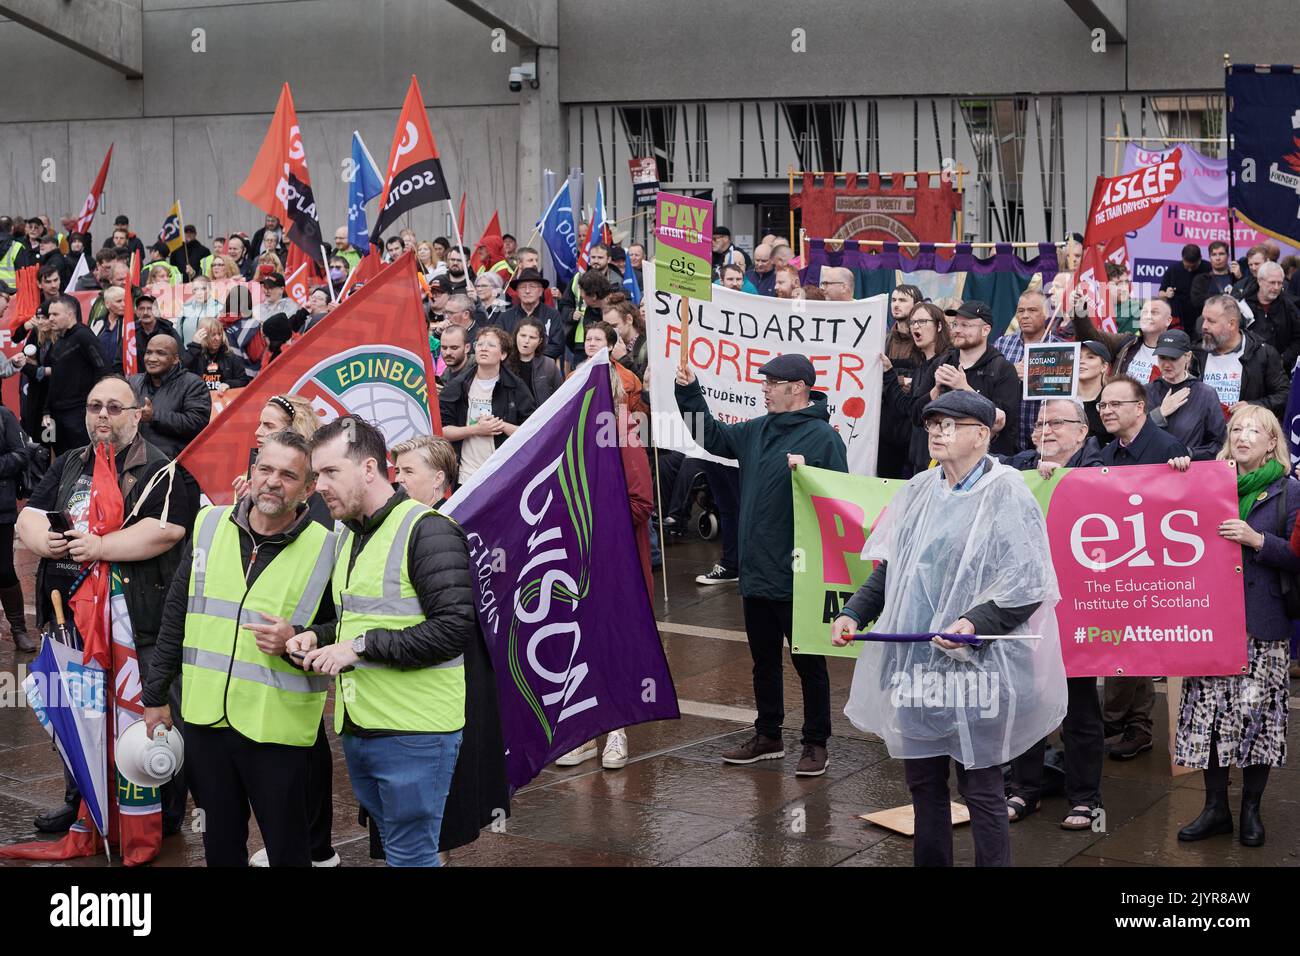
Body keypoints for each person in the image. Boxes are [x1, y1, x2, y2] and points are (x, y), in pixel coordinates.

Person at [834, 390, 1066, 866]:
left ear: (981, 435)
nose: (938, 432)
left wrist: (972, 622)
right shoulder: (919, 489)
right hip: (917, 663)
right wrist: (853, 612)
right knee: (922, 784)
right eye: (933, 424)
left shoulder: (1007, 492)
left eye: (951, 425)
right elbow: (891, 571)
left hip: (980, 666)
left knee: (980, 785)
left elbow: (1027, 584)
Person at [141, 430, 336, 866]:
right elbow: (177, 612)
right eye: (265, 469)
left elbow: (342, 629)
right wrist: (154, 696)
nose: (272, 481)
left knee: (288, 851)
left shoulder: (328, 548)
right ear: (250, 473)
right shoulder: (209, 525)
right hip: (206, 724)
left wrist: (297, 639)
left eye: (288, 475)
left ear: (307, 489)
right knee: (219, 847)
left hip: (278, 731)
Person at [289, 416, 476, 867]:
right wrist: (319, 635)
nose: (321, 487)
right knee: (399, 850)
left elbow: (453, 629)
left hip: (416, 730)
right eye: (317, 475)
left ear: (369, 469)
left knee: (411, 854)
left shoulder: (427, 529)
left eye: (331, 472)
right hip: (363, 725)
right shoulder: (348, 534)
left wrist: (355, 648)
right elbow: (361, 618)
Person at [16, 373, 198, 835]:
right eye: (95, 406)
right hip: (69, 615)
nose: (102, 415)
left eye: (114, 407)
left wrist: (97, 547)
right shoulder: (72, 461)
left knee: (149, 717)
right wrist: (47, 543)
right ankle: (81, 801)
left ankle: (163, 808)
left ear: (137, 414)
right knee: (78, 714)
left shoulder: (164, 468)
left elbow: (166, 529)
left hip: (138, 622)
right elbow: (31, 515)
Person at [674, 353, 847, 775]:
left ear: (798, 388)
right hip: (756, 570)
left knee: (809, 662)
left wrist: (811, 477)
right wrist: (688, 390)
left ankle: (815, 741)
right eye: (764, 382)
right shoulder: (759, 428)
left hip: (797, 572)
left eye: (771, 383)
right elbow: (710, 438)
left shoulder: (824, 438)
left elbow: (838, 502)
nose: (763, 389)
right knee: (763, 659)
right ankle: (769, 734)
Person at [1174, 405, 1298, 848]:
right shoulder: (1207, 482)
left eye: (1255, 430)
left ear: (1272, 443)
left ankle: (1251, 810)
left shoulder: (1288, 492)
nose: (1243, 435)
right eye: (1237, 428)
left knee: (1256, 719)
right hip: (1210, 623)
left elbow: (1297, 555)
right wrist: (1178, 468)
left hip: (1261, 629)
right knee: (1208, 718)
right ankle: (1215, 809)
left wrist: (1258, 540)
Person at [390, 434, 509, 859]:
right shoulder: (395, 522)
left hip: (448, 675)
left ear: (439, 478)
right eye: (396, 470)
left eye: (408, 471)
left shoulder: (447, 523)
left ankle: (432, 852)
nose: (397, 479)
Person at [1096, 374, 1191, 760]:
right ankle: (1131, 725)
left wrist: (1186, 469)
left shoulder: (1168, 449)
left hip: (1154, 570)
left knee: (1135, 648)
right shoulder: (1107, 453)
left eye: (1115, 404)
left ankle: (1124, 721)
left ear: (1140, 408)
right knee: (1123, 644)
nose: (1106, 411)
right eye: (1102, 405)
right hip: (1117, 565)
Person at [913, 300, 1020, 458]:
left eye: (966, 325)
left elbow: (1002, 423)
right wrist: (935, 392)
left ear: (985, 330)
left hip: (982, 465)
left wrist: (963, 388)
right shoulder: (942, 363)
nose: (957, 330)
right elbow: (915, 415)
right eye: (955, 324)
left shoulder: (1003, 369)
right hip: (938, 462)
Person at [438, 326, 536, 484]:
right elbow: (442, 430)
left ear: (503, 354)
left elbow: (532, 431)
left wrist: (501, 425)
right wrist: (476, 429)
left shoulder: (516, 387)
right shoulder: (457, 386)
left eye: (491, 345)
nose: (483, 348)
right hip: (466, 475)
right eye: (480, 344)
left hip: (504, 474)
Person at [883, 301, 954, 477]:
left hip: (940, 461)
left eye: (922, 321)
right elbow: (909, 408)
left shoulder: (948, 362)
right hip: (918, 458)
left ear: (939, 326)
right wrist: (889, 373)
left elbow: (919, 410)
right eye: (913, 322)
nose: (916, 326)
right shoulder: (921, 366)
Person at [1194, 295, 1289, 419]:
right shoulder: (1197, 353)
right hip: (1204, 433)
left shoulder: (1262, 354)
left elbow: (1284, 395)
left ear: (1232, 324)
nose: (1204, 326)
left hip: (1245, 432)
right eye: (1204, 319)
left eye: (1211, 321)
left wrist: (1252, 406)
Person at [1146, 330, 1227, 461]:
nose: (1166, 364)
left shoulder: (1206, 394)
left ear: (1188, 356)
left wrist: (1189, 454)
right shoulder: (1146, 391)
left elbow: (1220, 444)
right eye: (1162, 357)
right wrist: (1159, 414)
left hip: (1189, 474)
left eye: (1173, 358)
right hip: (1151, 473)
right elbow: (1131, 438)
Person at [43, 295, 108, 455]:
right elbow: (55, 379)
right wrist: (46, 410)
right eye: (49, 314)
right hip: (55, 416)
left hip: (77, 415)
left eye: (55, 314)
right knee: (60, 460)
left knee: (81, 459)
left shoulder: (83, 336)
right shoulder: (58, 341)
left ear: (70, 315)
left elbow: (103, 369)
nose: (50, 318)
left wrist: (94, 405)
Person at [129, 334, 211, 457]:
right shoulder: (133, 382)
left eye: (160, 353)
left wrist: (154, 417)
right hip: (134, 461)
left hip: (173, 465)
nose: (152, 358)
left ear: (175, 359)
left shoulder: (193, 384)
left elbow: (196, 424)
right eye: (148, 352)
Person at [0, 403, 34, 652]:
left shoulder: (4, 416)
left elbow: (21, 454)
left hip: (1, 509)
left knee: (3, 569)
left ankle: (19, 629)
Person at [1002, 398, 1103, 474]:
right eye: (1040, 424)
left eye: (1056, 423)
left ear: (1081, 432)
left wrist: (1062, 478)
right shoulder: (1022, 462)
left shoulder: (1100, 473)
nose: (1045, 431)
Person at [1243, 261, 1300, 372]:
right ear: (1260, 281)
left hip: (1280, 370)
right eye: (1272, 282)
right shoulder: (1243, 305)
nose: (1276, 287)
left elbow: (1298, 338)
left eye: (1280, 283)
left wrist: (1284, 359)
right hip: (1249, 369)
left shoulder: (1289, 306)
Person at [498, 267, 563, 355]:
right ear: (517, 291)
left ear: (540, 291)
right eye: (523, 287)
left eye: (532, 286)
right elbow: (500, 344)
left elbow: (557, 346)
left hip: (542, 365)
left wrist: (530, 355)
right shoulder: (505, 317)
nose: (527, 291)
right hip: (511, 365)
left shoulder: (552, 315)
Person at [184, 316, 251, 392]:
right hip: (200, 400)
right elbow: (180, 373)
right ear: (203, 335)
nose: (218, 338)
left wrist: (229, 384)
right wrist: (194, 347)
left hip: (223, 400)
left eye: (219, 334)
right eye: (213, 335)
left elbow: (244, 380)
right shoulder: (194, 354)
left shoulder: (230, 356)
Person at [509, 319, 564, 406]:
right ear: (516, 336)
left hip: (540, 416)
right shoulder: (505, 364)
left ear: (540, 341)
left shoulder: (549, 365)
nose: (526, 341)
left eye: (532, 337)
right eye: (523, 335)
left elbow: (560, 396)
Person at [1158, 243, 1210, 330]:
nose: (1190, 270)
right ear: (1182, 258)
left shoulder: (1209, 268)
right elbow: (1161, 293)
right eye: (1187, 266)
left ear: (1200, 258)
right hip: (1178, 317)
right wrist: (1167, 294)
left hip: (1202, 315)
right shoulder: (1173, 269)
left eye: (1193, 267)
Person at [1190, 240, 1238, 325]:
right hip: (1208, 324)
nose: (1218, 258)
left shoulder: (1236, 278)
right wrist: (1224, 298)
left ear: (1228, 256)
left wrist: (1240, 278)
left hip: (1232, 324)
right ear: (1210, 257)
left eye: (1221, 254)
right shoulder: (1201, 279)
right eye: (1214, 254)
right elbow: (1196, 301)